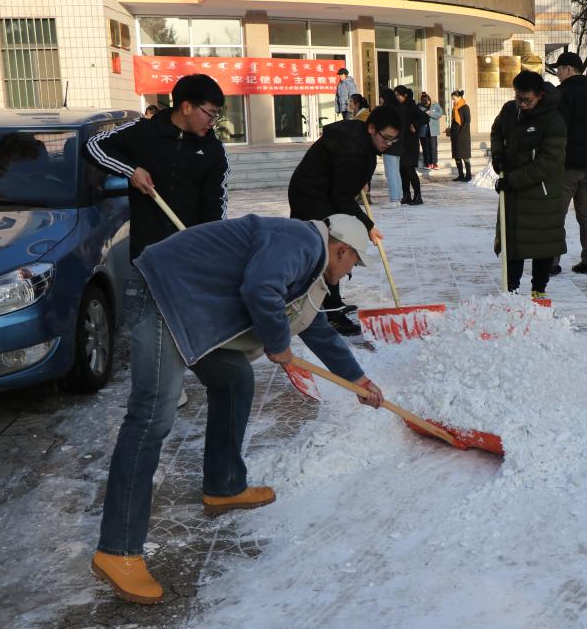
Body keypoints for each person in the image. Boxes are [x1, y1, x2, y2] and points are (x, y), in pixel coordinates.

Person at [90, 213, 385, 605]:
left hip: (191, 308)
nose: (348, 274)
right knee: (151, 417)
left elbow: (313, 327)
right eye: (351, 267)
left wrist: (357, 380)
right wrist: (277, 341)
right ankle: (117, 550)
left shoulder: (307, 259)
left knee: (234, 380)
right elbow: (261, 288)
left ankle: (224, 484)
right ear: (341, 249)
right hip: (161, 293)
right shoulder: (300, 241)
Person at [86, 74, 230, 263]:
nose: (213, 121)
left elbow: (215, 205)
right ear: (187, 107)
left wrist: (210, 244)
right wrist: (132, 170)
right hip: (146, 256)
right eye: (211, 113)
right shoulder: (143, 131)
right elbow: (93, 145)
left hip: (190, 254)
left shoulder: (213, 151)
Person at [288, 105, 401, 335]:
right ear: (371, 128)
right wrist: (367, 225)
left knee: (333, 247)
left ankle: (332, 302)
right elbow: (341, 198)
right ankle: (330, 314)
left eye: (393, 140)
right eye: (386, 138)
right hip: (311, 196)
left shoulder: (361, 139)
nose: (388, 144)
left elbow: (345, 186)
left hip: (322, 192)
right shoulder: (352, 148)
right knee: (330, 249)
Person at [491, 71, 567, 298]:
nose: (522, 104)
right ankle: (511, 291)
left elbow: (547, 164)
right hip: (513, 192)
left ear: (540, 96)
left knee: (541, 244)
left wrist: (511, 181)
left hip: (541, 193)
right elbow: (497, 131)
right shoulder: (509, 111)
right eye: (518, 98)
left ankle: (538, 292)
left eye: (527, 100)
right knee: (513, 242)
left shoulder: (554, 121)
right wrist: (498, 155)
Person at [547, 51, 587, 276]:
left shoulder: (563, 94)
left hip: (567, 164)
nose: (558, 74)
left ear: (568, 69)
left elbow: (557, 130)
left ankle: (551, 262)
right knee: (586, 214)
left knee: (556, 213)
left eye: (559, 69)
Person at [392, 86, 428, 205]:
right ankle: (406, 195)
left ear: (405, 95)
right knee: (402, 170)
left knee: (409, 169)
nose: (397, 98)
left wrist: (414, 124)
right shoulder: (397, 106)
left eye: (398, 95)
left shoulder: (411, 106)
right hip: (400, 143)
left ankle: (418, 196)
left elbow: (424, 117)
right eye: (395, 95)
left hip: (410, 143)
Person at [377, 88, 404, 203]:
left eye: (381, 97)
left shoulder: (387, 111)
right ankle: (398, 196)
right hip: (398, 145)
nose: (379, 99)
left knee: (391, 173)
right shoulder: (397, 109)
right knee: (396, 172)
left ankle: (394, 199)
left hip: (390, 145)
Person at [449, 89, 472, 181]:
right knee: (457, 156)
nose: (453, 101)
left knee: (465, 156)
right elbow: (454, 121)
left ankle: (468, 175)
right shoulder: (455, 108)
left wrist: (461, 133)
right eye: (452, 99)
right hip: (455, 134)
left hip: (463, 135)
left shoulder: (465, 107)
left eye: (454, 99)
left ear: (459, 97)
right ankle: (461, 175)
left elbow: (467, 121)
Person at [419, 92, 444, 169]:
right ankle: (427, 164)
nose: (426, 102)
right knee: (425, 147)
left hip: (433, 130)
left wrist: (430, 113)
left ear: (429, 99)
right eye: (424, 100)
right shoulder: (419, 106)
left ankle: (434, 163)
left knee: (433, 147)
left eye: (427, 100)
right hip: (423, 130)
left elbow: (440, 114)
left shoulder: (435, 105)